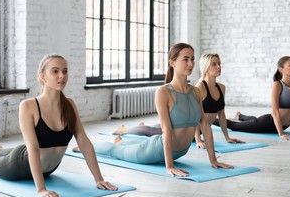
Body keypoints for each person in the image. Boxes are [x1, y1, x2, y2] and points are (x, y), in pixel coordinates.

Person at [0, 54, 117, 197]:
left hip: (49, 170)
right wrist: (41, 189)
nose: (62, 76)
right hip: (20, 165)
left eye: (65, 71)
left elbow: (83, 142)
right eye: (55, 71)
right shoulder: (29, 106)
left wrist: (99, 179)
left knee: (16, 150)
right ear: (43, 77)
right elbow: (33, 147)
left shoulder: (70, 105)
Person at [75, 43, 233, 177]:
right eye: (185, 59)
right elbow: (166, 129)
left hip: (180, 151)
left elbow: (204, 126)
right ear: (172, 62)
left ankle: (123, 139)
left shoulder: (196, 91)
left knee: (128, 144)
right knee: (115, 151)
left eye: (192, 59)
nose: (190, 63)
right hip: (154, 151)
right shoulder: (164, 92)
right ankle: (85, 147)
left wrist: (213, 160)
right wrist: (169, 166)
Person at [213, 56, 290, 140]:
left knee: (253, 120)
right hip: (268, 123)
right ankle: (209, 121)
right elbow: (275, 111)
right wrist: (281, 134)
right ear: (281, 69)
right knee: (234, 126)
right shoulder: (277, 85)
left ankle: (240, 116)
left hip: (283, 125)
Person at [194, 53, 244, 148]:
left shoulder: (222, 88)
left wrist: (227, 137)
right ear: (205, 67)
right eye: (214, 64)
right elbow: (194, 116)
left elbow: (221, 115)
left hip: (203, 130)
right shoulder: (200, 87)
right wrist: (198, 141)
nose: (218, 67)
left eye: (219, 63)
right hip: (189, 131)